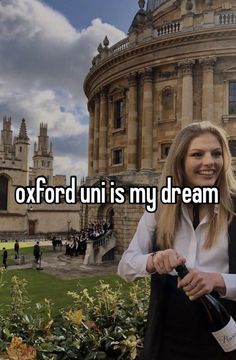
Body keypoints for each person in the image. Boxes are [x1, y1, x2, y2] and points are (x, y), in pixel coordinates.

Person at [118, 121, 236, 360]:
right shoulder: (159, 208)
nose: (209, 162)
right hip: (168, 337)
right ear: (180, 161)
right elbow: (126, 266)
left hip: (226, 334)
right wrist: (154, 260)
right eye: (197, 154)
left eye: (216, 153)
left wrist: (219, 280)